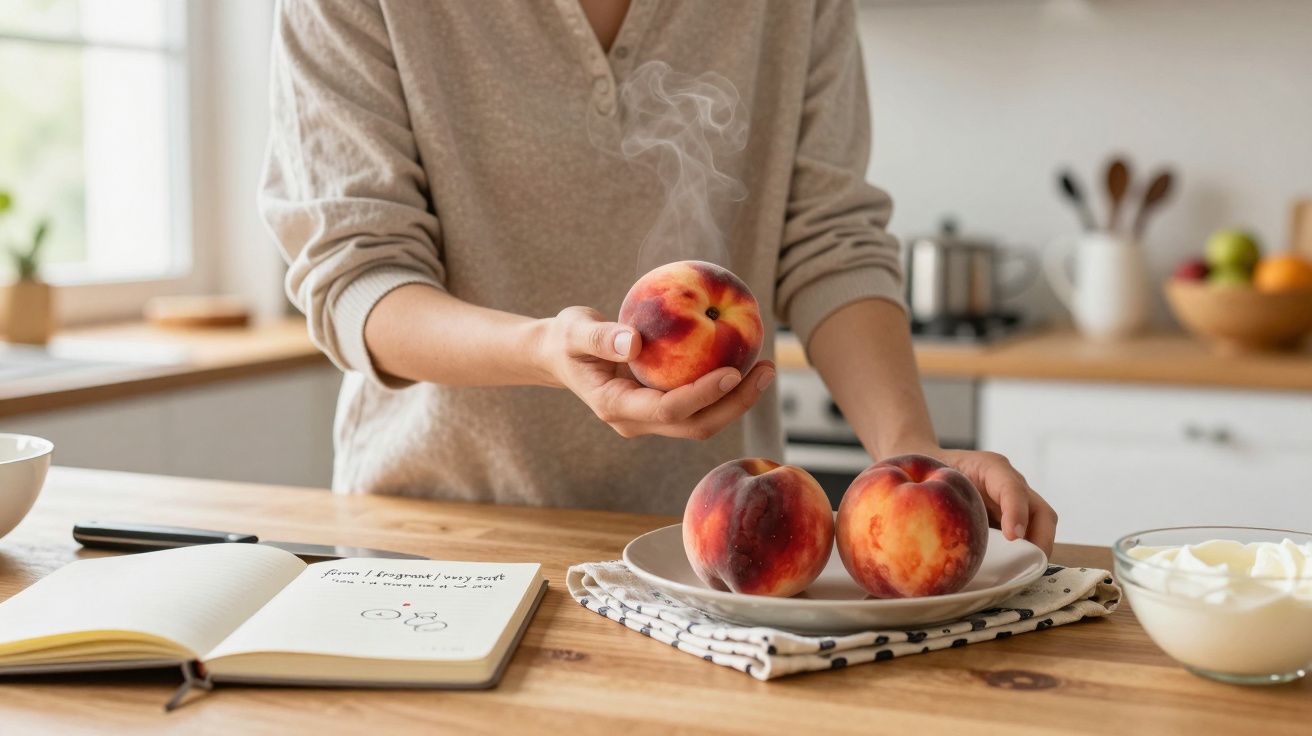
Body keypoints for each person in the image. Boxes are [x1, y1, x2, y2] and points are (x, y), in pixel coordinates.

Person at [261, 0, 1058, 554]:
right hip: (438, 538)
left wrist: (909, 453)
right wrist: (544, 350)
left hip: (715, 552)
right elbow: (359, 277)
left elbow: (830, 240)